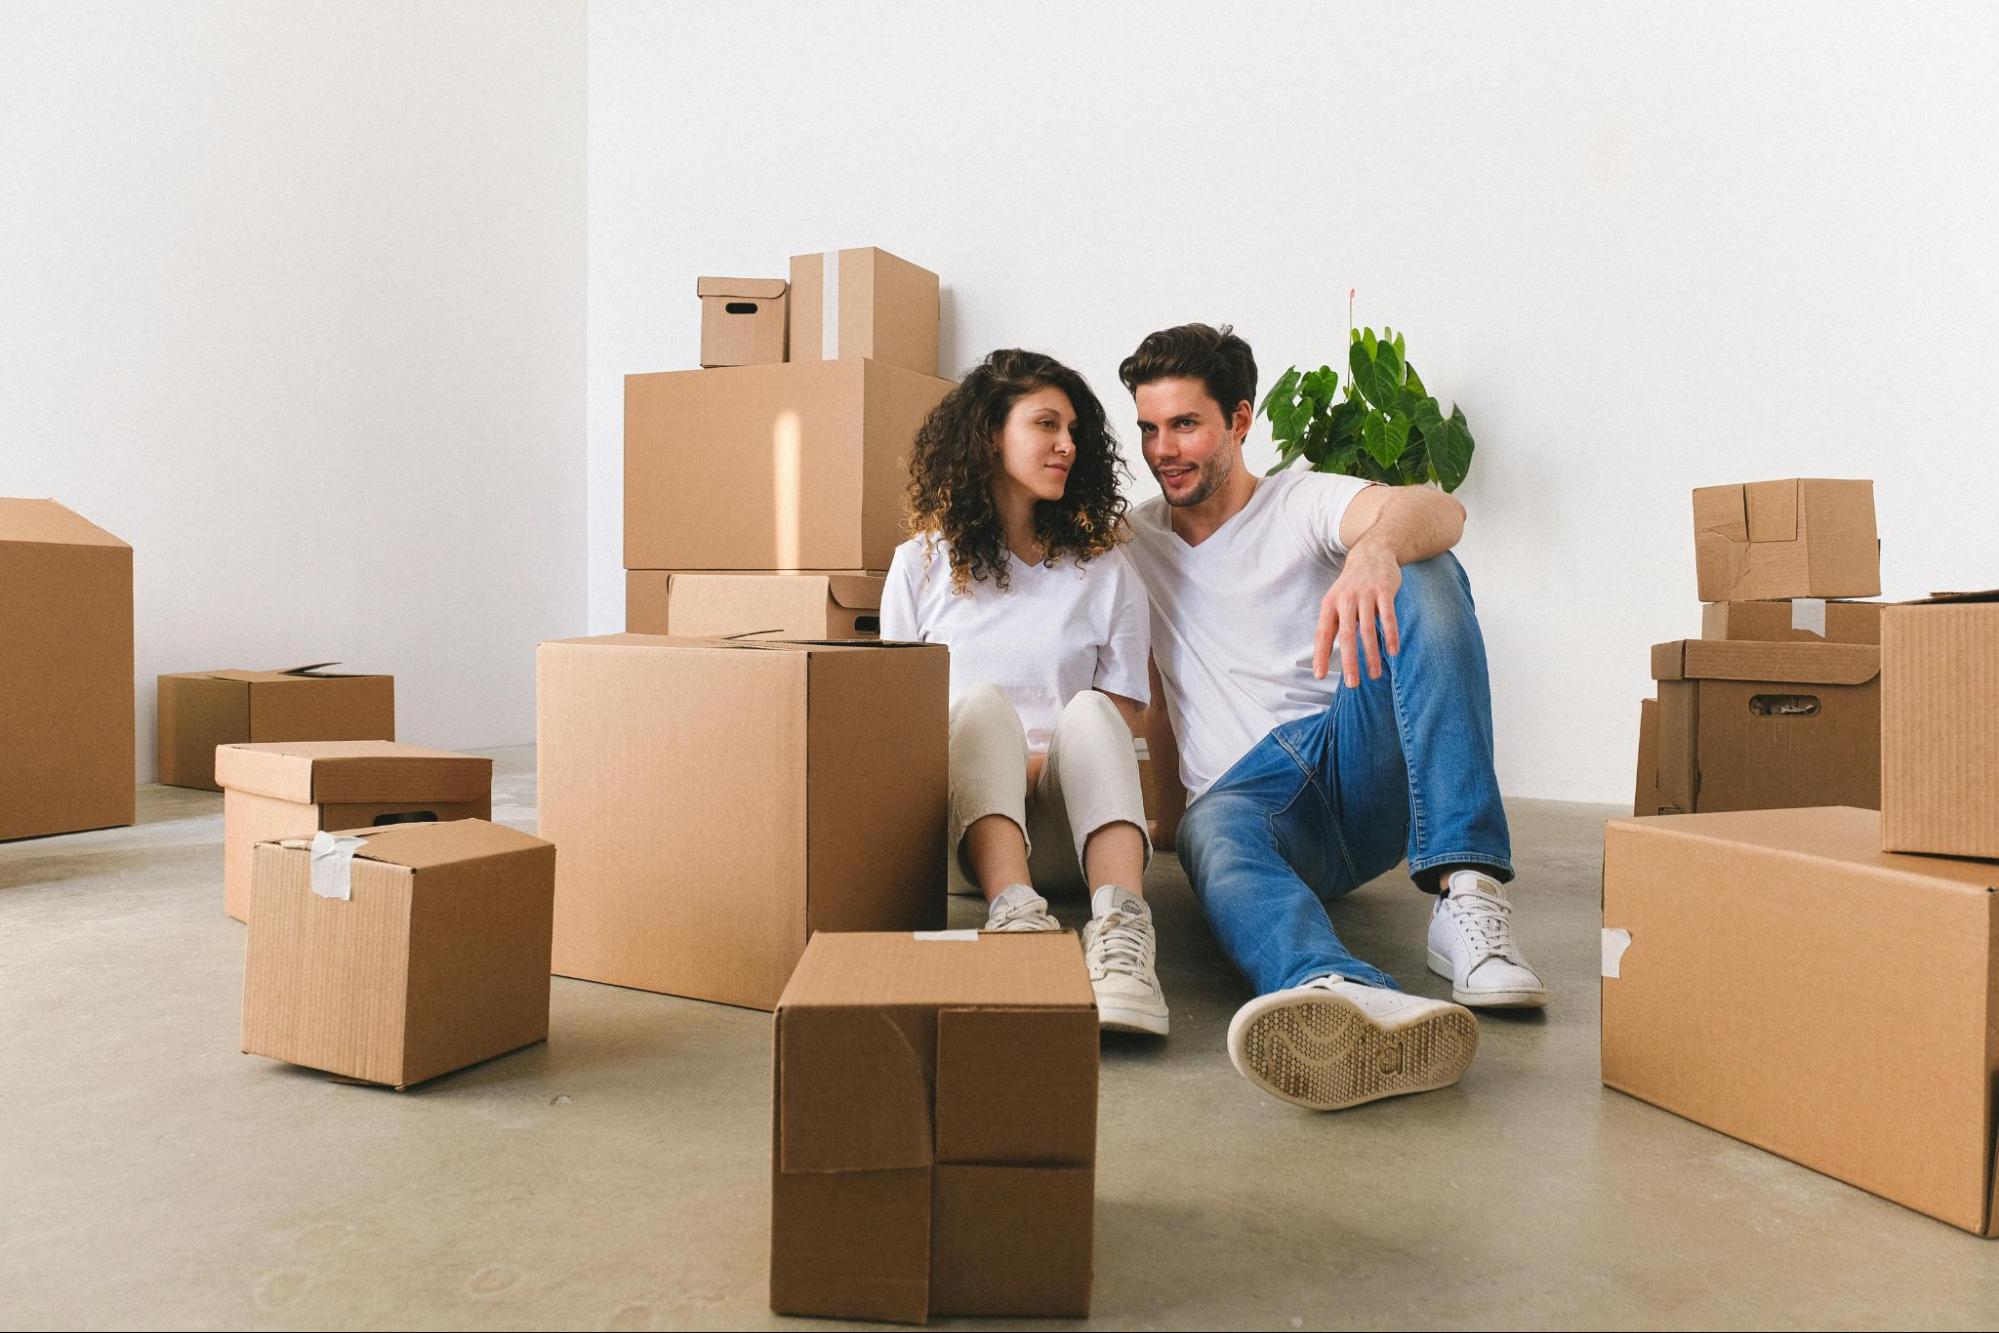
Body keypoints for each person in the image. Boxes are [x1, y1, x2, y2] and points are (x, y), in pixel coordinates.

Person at [1116, 322, 1546, 1108]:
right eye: (1148, 427)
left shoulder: (1299, 498)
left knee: (1424, 567)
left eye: (1185, 424)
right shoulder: (1133, 537)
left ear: (1240, 421)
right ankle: (1337, 990)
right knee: (1214, 833)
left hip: (1351, 758)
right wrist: (1166, 816)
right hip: (1249, 803)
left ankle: (1469, 897)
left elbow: (1437, 507)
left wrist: (1374, 550)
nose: (1163, 448)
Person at [880, 348, 1169, 1036]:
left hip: (1075, 827)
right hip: (968, 831)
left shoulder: (1104, 570)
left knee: (1093, 708)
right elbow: (898, 714)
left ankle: (1123, 935)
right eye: (1045, 424)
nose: (1066, 445)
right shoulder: (920, 564)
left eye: (1073, 430)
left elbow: (1124, 706)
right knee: (977, 706)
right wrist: (1007, 767)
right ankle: (1013, 915)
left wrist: (1041, 768)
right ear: (989, 433)